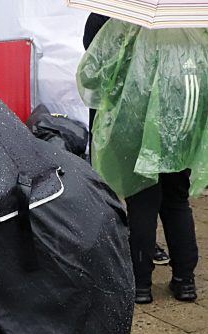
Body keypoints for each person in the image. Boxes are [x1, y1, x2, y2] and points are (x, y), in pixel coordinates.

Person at [78, 21, 206, 303]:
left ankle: (141, 285)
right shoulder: (191, 20)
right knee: (176, 199)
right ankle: (185, 281)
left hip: (136, 118)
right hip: (182, 118)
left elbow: (94, 61)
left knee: (142, 199)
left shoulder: (121, 16)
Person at [83, 13, 170, 268]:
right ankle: (135, 248)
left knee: (136, 191)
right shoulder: (108, 13)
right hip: (135, 112)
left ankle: (133, 251)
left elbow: (91, 59)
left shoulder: (105, 14)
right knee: (146, 191)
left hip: (118, 113)